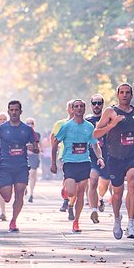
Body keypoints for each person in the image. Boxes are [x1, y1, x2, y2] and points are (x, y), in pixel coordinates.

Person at [92, 84, 134, 240]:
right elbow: (96, 132)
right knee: (117, 193)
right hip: (115, 157)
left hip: (133, 155)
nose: (125, 95)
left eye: (128, 93)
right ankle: (117, 219)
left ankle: (131, 224)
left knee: (132, 182)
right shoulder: (110, 112)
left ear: (132, 95)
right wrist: (112, 125)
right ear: (117, 95)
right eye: (122, 92)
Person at [50, 99, 101, 233]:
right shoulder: (66, 126)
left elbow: (95, 144)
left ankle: (76, 221)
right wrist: (53, 163)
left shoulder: (89, 127)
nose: (79, 109)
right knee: (72, 192)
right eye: (76, 106)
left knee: (80, 193)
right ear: (72, 109)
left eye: (81, 107)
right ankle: (66, 190)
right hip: (70, 162)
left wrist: (100, 157)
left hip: (84, 162)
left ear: (84, 109)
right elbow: (55, 143)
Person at [0, 100, 36, 232]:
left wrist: (34, 148)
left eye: (16, 110)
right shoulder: (1, 128)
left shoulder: (27, 129)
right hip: (5, 166)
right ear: (8, 111)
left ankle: (13, 221)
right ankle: (8, 194)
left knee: (20, 193)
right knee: (6, 196)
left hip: (21, 166)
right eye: (11, 110)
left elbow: (36, 147)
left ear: (20, 112)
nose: (14, 112)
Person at [84, 94, 110, 224]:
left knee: (105, 183)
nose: (97, 106)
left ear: (102, 104)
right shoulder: (87, 120)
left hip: (108, 156)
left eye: (99, 103)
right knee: (93, 180)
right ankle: (93, 210)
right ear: (91, 105)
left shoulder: (109, 118)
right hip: (92, 156)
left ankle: (100, 198)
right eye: (94, 103)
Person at [26, 118, 41, 203]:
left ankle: (31, 194)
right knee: (26, 174)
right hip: (25, 156)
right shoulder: (23, 134)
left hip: (34, 157)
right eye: (28, 123)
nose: (30, 125)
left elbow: (40, 145)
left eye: (31, 123)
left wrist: (40, 150)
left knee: (32, 174)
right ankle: (25, 187)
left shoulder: (37, 134)